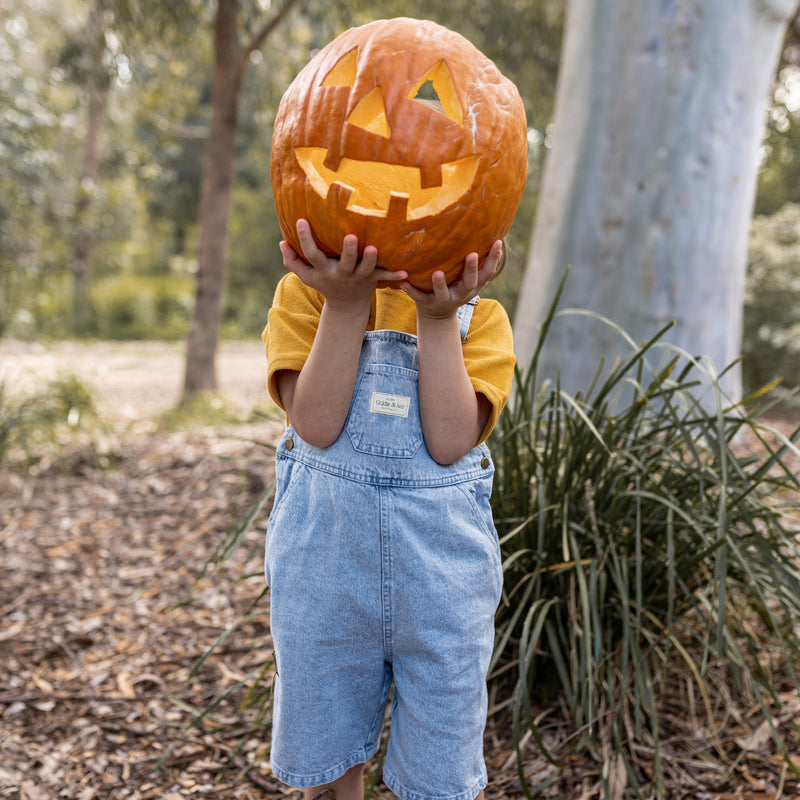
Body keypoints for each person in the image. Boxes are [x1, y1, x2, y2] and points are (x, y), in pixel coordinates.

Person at [262, 217, 516, 800]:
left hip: (441, 591)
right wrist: (346, 307)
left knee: (440, 758)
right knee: (326, 754)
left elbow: (451, 440)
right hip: (325, 576)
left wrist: (436, 316)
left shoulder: (483, 322)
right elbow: (316, 426)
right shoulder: (304, 297)